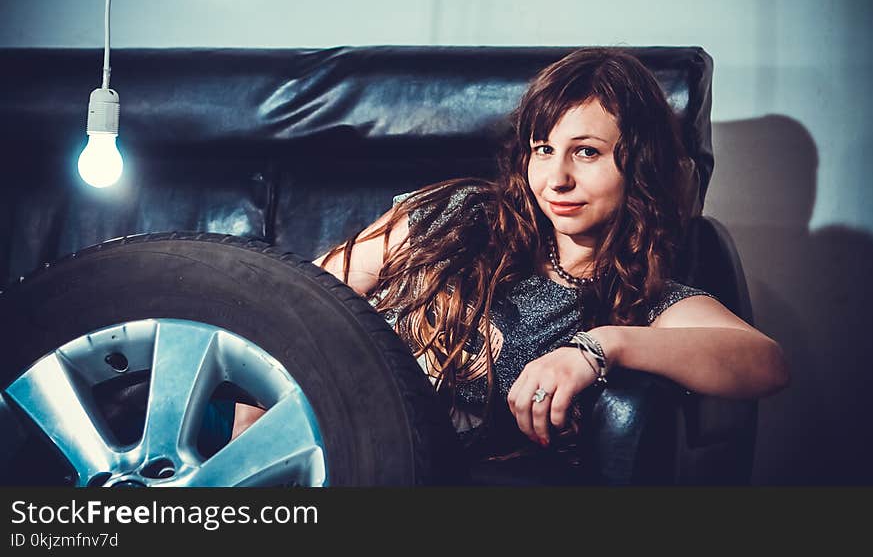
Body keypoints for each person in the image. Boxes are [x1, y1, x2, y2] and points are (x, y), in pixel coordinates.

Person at [241, 48, 790, 477]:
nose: (557, 180)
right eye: (543, 149)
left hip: (375, 471)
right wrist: (252, 424)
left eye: (588, 152)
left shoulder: (639, 299)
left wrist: (602, 346)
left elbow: (764, 362)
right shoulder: (460, 215)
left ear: (638, 165)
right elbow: (302, 297)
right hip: (276, 422)